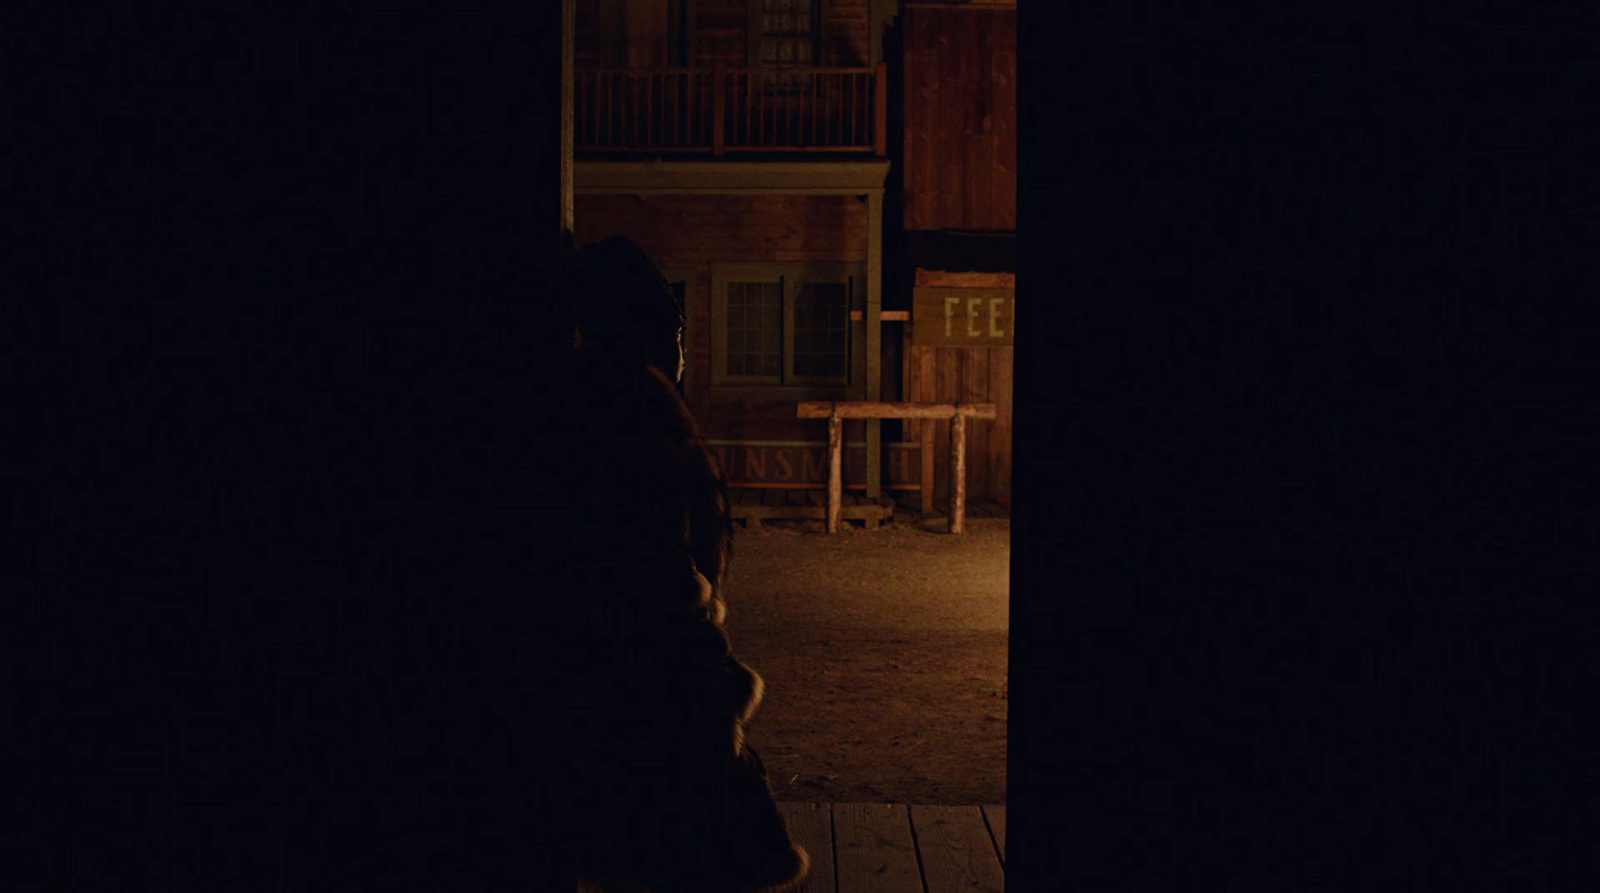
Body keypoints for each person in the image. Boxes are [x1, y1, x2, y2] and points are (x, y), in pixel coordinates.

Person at [553, 236, 810, 893]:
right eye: (671, 327)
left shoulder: (606, 404)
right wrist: (708, 685)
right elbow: (652, 576)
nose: (680, 346)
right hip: (656, 699)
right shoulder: (627, 414)